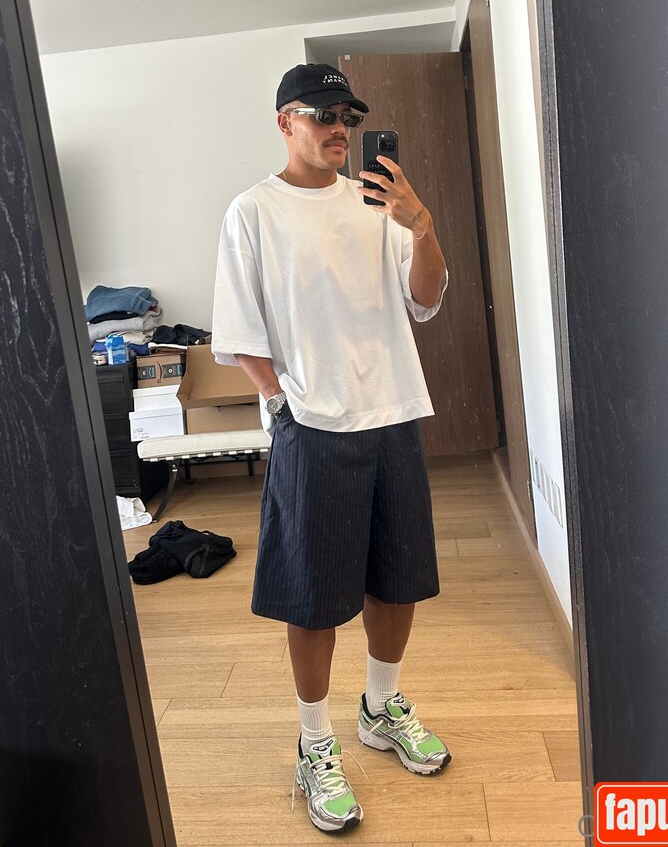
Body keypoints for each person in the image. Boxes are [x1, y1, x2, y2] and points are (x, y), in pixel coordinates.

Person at [211, 63, 451, 834]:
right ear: (286, 121)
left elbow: (426, 299)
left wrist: (422, 226)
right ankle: (315, 742)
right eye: (322, 114)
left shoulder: (379, 204)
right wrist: (282, 400)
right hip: (313, 425)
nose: (339, 127)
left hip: (393, 414)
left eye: (346, 115)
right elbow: (238, 330)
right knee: (313, 595)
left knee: (397, 578)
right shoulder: (253, 212)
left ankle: (380, 709)